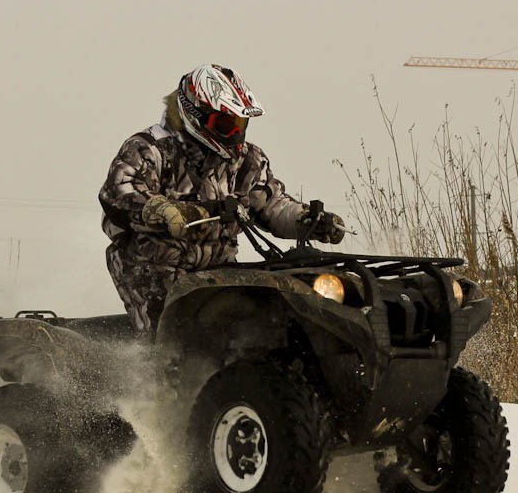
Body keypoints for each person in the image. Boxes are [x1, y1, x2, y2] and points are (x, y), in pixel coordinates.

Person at [98, 63, 347, 332]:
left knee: (263, 320)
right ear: (196, 115)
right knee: (176, 337)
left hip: (219, 270)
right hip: (152, 269)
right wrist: (164, 210)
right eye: (226, 124)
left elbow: (270, 204)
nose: (235, 133)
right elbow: (119, 192)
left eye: (240, 124)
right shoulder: (150, 149)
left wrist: (307, 219)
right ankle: (149, 372)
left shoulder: (247, 159)